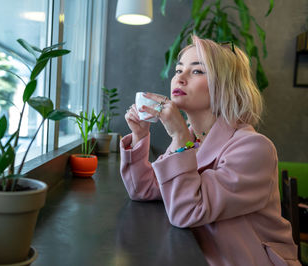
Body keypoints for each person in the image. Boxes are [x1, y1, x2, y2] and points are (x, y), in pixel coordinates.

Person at [121, 35, 300, 265]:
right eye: (178, 70)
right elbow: (144, 189)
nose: (180, 78)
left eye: (197, 71)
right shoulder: (192, 138)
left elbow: (187, 211)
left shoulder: (255, 149)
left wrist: (179, 138)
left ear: (225, 85)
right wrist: (140, 136)